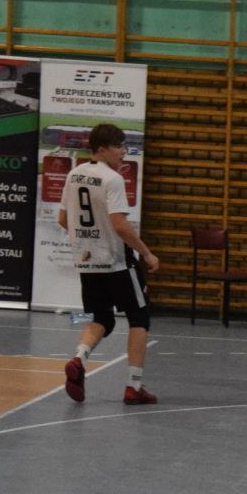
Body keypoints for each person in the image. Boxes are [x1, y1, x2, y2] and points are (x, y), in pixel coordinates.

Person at [58, 123, 159, 405]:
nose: (124, 152)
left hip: (87, 261)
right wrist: (147, 254)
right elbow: (120, 225)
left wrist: (88, 241)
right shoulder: (112, 179)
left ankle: (79, 358)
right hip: (116, 261)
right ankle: (133, 386)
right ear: (102, 149)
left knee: (102, 318)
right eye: (119, 146)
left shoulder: (74, 174)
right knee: (139, 317)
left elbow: (64, 220)